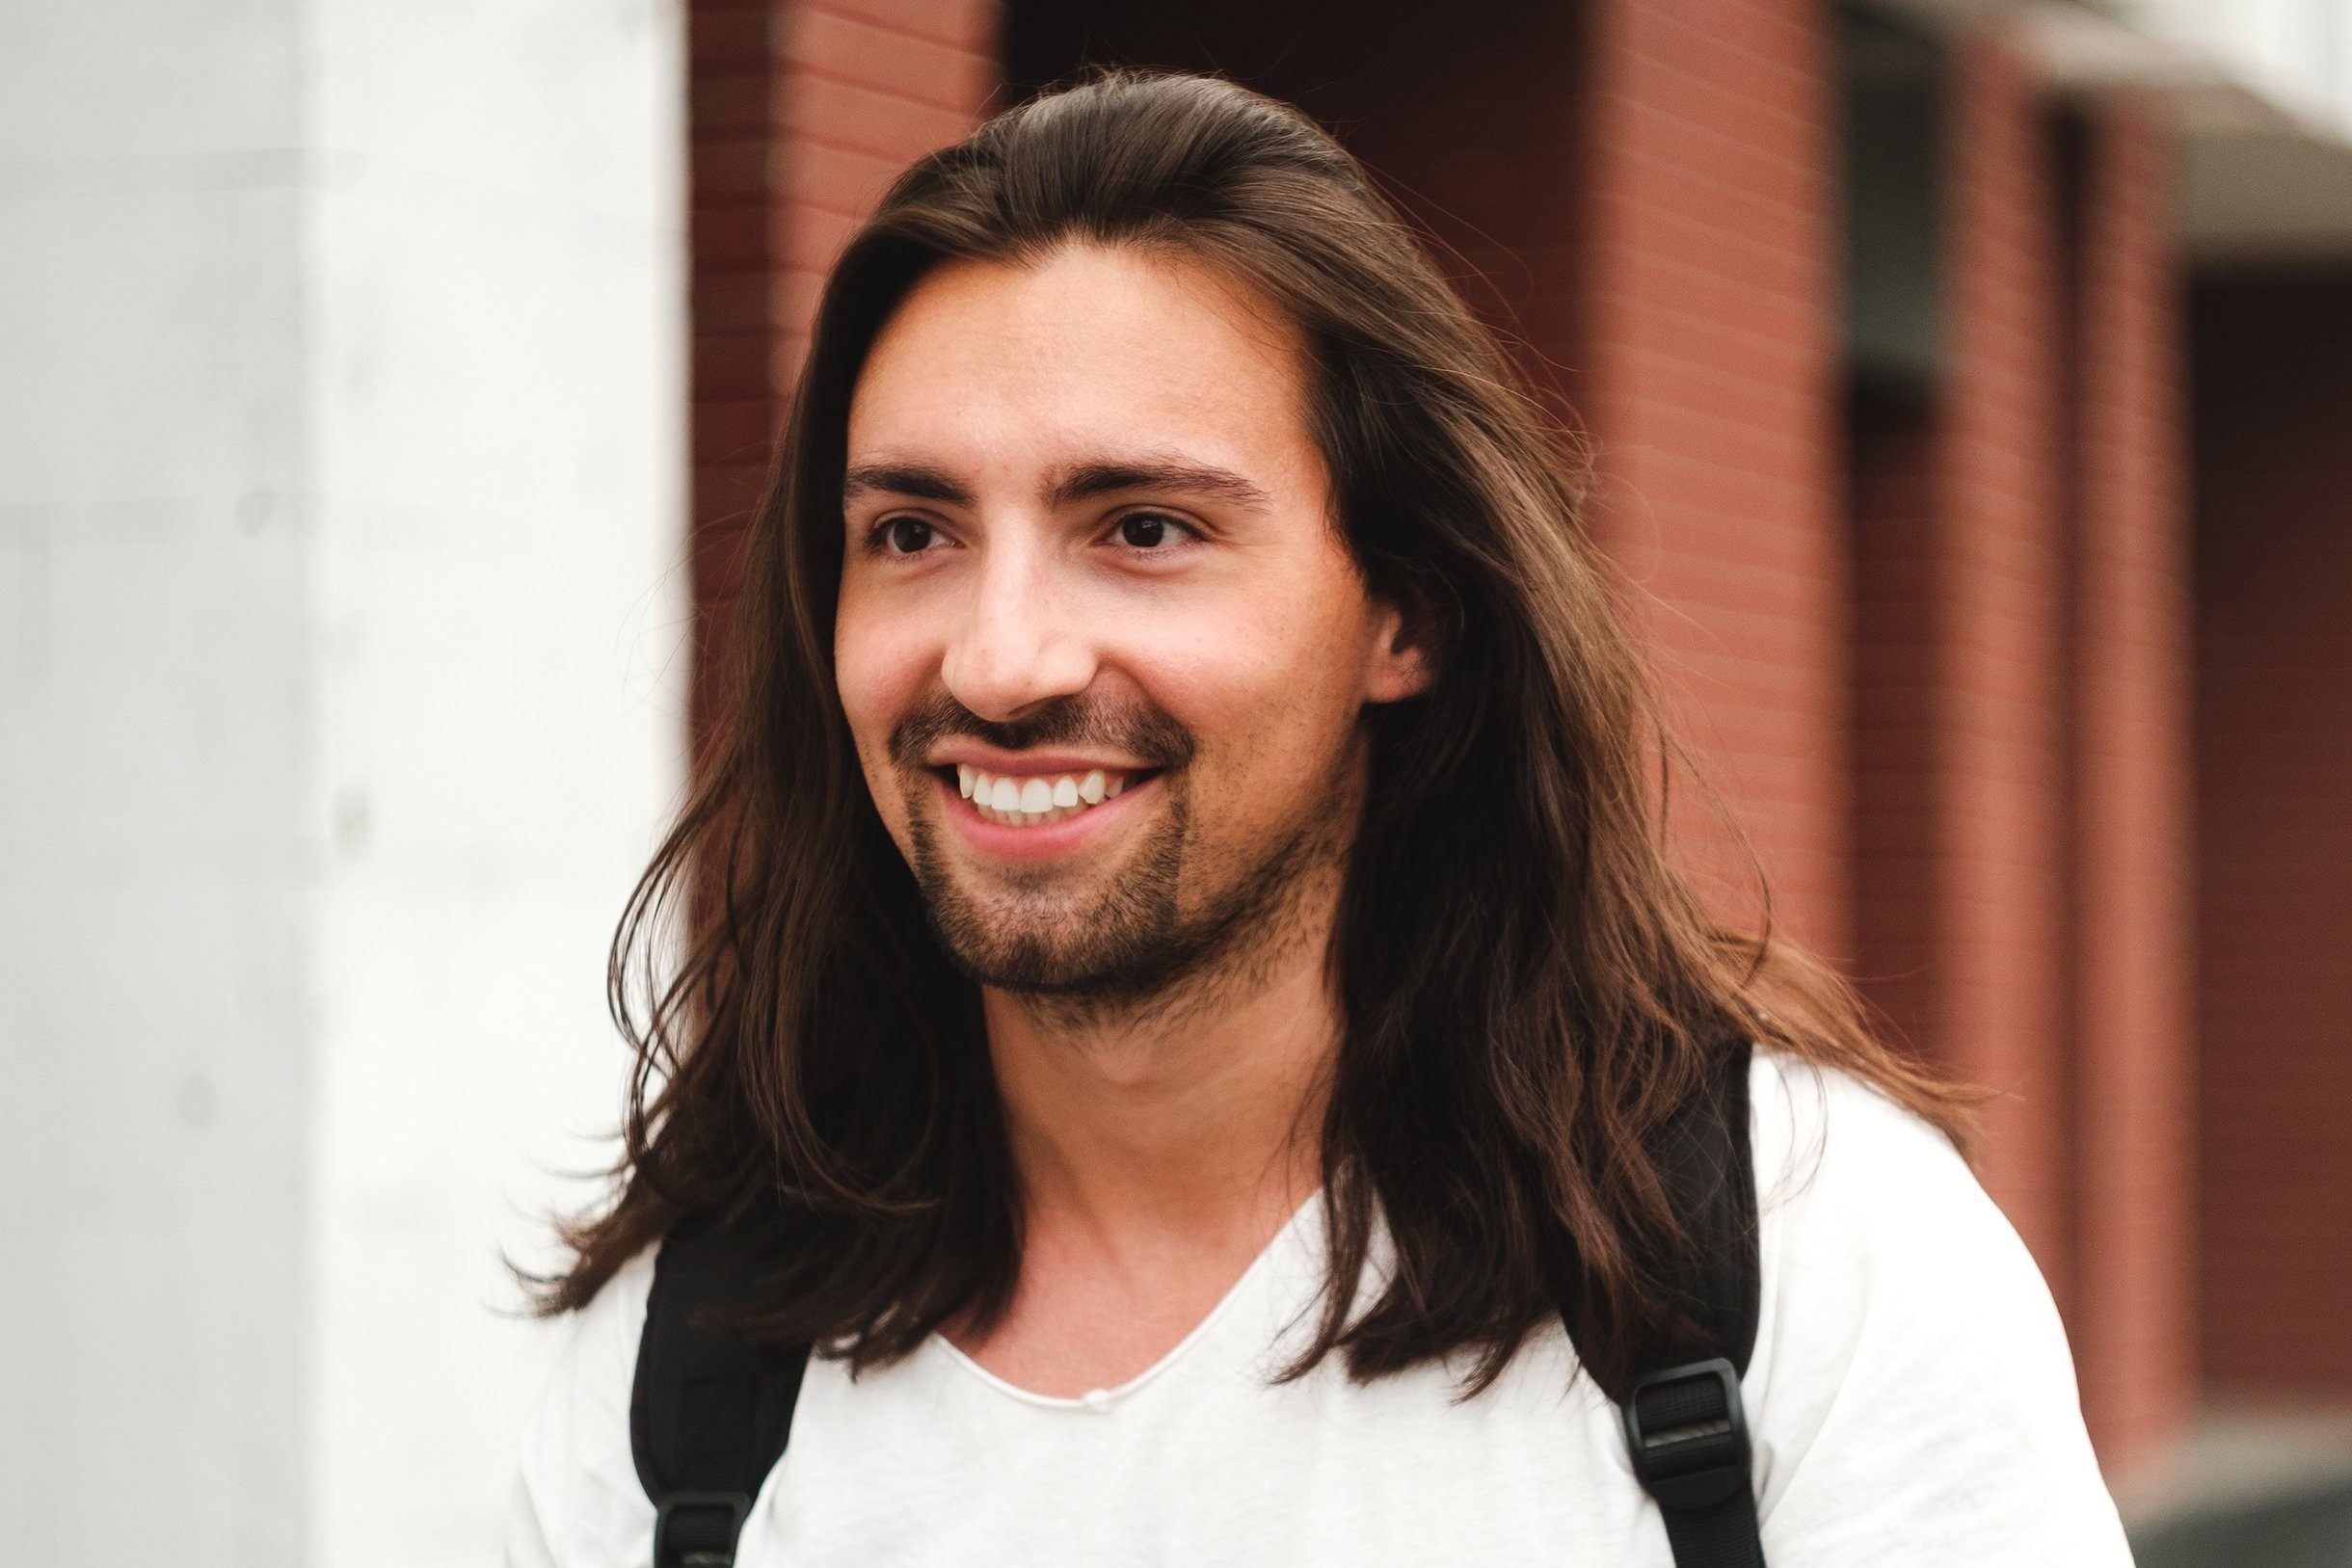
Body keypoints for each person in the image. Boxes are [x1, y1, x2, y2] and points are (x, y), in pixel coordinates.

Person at [505, 67, 2133, 1567]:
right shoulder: (695, 1359)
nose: (999, 660)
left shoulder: (1797, 1260)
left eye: (1141, 528)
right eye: (914, 532)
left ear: (1407, 616)